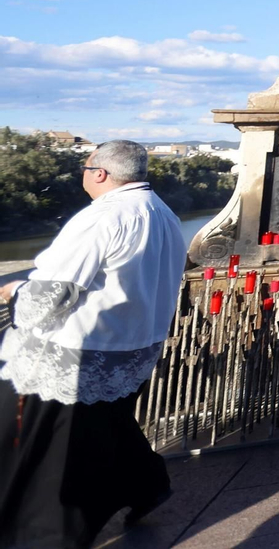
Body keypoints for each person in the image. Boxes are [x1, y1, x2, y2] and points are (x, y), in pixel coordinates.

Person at [0, 141, 186, 549]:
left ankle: (49, 535)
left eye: (84, 168)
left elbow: (54, 291)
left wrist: (15, 293)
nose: (83, 175)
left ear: (99, 173)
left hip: (80, 349)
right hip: (134, 346)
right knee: (106, 424)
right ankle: (147, 485)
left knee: (54, 449)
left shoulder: (102, 217)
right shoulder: (164, 212)